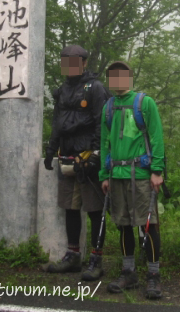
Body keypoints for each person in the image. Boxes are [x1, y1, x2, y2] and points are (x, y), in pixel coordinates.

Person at [99, 61, 165, 299]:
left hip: (140, 175)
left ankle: (154, 276)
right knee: (124, 224)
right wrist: (103, 175)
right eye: (112, 76)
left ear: (129, 77)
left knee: (147, 225)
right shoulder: (108, 106)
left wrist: (157, 170)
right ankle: (129, 272)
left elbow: (156, 137)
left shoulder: (144, 103)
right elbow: (104, 143)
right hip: (116, 176)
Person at [44, 45, 109, 281]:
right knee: (70, 207)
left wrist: (97, 154)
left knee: (94, 209)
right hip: (68, 155)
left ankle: (96, 258)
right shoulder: (62, 90)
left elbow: (101, 122)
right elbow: (57, 122)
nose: (69, 65)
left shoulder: (95, 87)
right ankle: (73, 256)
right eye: (65, 61)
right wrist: (51, 150)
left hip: (88, 156)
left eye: (73, 61)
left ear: (83, 62)